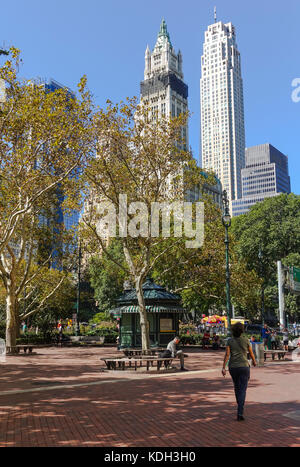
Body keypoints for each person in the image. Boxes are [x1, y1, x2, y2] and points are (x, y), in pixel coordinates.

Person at [222, 322, 256, 421]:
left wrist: (223, 367)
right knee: (243, 389)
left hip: (233, 367)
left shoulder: (229, 341)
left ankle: (239, 405)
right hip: (244, 367)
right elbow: (251, 352)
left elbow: (227, 355)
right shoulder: (246, 340)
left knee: (237, 387)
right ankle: (240, 411)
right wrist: (254, 361)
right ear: (242, 330)